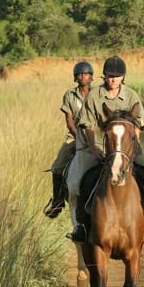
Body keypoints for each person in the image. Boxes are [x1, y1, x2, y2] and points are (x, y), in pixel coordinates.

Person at [69, 55, 144, 242]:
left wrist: (131, 149)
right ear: (104, 77)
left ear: (123, 77)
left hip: (127, 149)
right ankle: (81, 224)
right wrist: (94, 149)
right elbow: (88, 125)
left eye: (116, 76)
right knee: (84, 180)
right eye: (109, 76)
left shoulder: (131, 96)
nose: (112, 79)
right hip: (99, 147)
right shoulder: (94, 96)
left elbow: (138, 126)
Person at [44, 61, 94, 218]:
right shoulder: (69, 95)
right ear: (75, 77)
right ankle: (58, 202)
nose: (83, 77)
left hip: (95, 135)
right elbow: (69, 119)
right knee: (58, 165)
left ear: (91, 77)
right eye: (80, 74)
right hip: (75, 135)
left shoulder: (98, 93)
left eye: (86, 74)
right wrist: (78, 135)